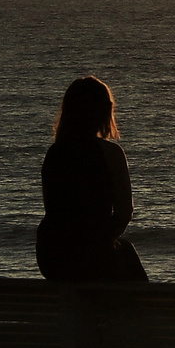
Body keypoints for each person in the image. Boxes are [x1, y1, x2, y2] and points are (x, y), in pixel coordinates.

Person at [36, 76, 148, 282]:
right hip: (92, 258)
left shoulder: (55, 153)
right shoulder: (111, 154)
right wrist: (102, 240)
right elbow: (124, 213)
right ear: (103, 111)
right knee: (129, 260)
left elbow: (53, 210)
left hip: (52, 256)